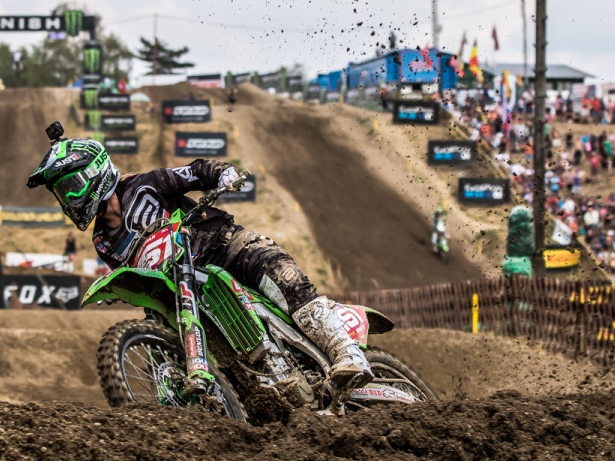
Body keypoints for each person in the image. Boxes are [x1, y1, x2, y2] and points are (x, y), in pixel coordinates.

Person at [26, 134, 372, 388]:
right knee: (170, 335)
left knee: (283, 278)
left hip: (222, 246)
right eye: (61, 193)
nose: (67, 199)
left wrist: (222, 174)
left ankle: (348, 355)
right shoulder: (103, 240)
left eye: (70, 187)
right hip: (183, 287)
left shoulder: (145, 185)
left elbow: (194, 171)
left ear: (93, 173)